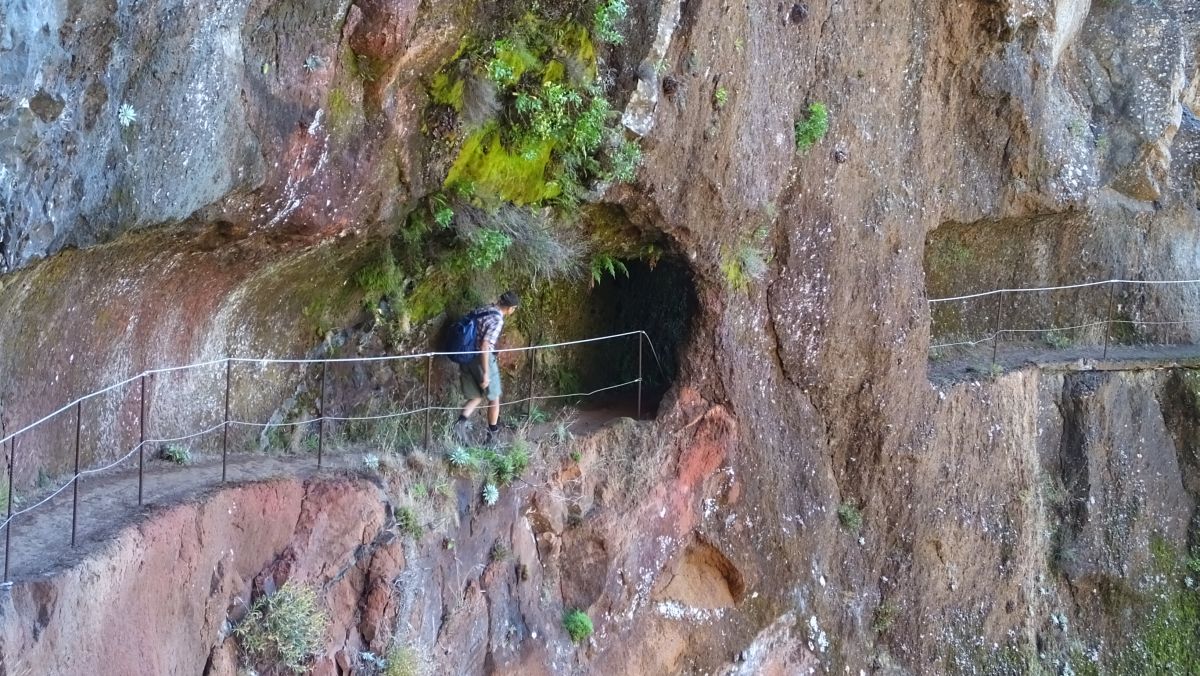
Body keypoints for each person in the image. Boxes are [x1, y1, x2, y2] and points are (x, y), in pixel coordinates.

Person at [454, 291, 520, 444]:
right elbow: (485, 346)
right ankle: (492, 438)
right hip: (482, 359)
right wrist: (486, 373)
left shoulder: (484, 309)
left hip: (466, 355)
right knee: (494, 398)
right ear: (511, 308)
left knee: (476, 396)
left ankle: (460, 425)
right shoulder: (497, 320)